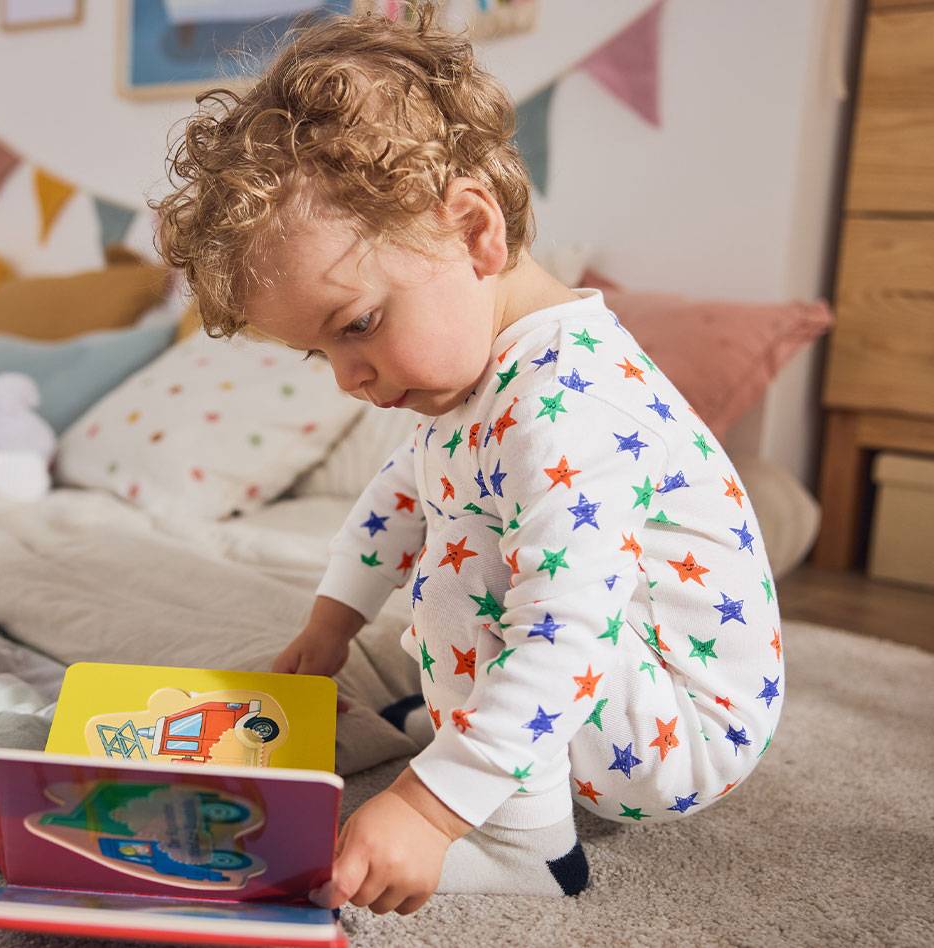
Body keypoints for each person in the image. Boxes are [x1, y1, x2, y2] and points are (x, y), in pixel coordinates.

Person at [155, 8, 783, 917]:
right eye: (319, 355)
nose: (350, 379)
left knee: (461, 576)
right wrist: (332, 622)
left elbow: (564, 632)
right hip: (613, 676)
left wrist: (428, 805)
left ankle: (524, 843)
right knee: (454, 527)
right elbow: (402, 493)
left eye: (358, 326)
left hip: (679, 732)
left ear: (476, 231)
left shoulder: (567, 405)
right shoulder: (490, 377)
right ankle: (479, 737)